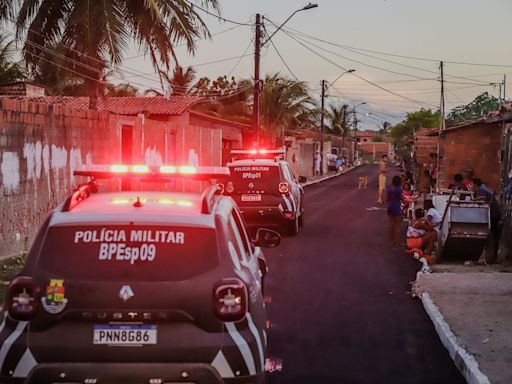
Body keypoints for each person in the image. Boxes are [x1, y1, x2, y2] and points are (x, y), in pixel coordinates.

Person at [471, 178, 502, 263]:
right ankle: (493, 257)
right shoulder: (484, 188)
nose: (471, 187)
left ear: (475, 184)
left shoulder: (480, 190)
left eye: (471, 184)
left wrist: (474, 201)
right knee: (494, 236)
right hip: (495, 214)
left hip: (493, 215)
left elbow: (482, 201)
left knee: (492, 235)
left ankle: (492, 258)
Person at [386, 175, 404, 246]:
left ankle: (391, 240)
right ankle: (396, 241)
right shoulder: (399, 189)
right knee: (397, 226)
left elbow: (387, 199)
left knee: (391, 225)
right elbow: (402, 198)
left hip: (390, 206)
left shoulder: (390, 189)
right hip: (397, 206)